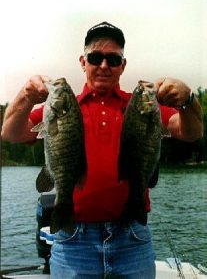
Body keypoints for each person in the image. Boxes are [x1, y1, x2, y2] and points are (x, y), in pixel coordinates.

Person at [1, 21, 203, 279]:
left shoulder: (139, 106)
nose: (104, 65)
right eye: (96, 57)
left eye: (113, 59)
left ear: (123, 65)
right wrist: (26, 96)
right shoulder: (64, 109)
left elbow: (192, 132)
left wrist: (188, 100)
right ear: (83, 62)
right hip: (74, 240)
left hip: (132, 238)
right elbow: (9, 133)